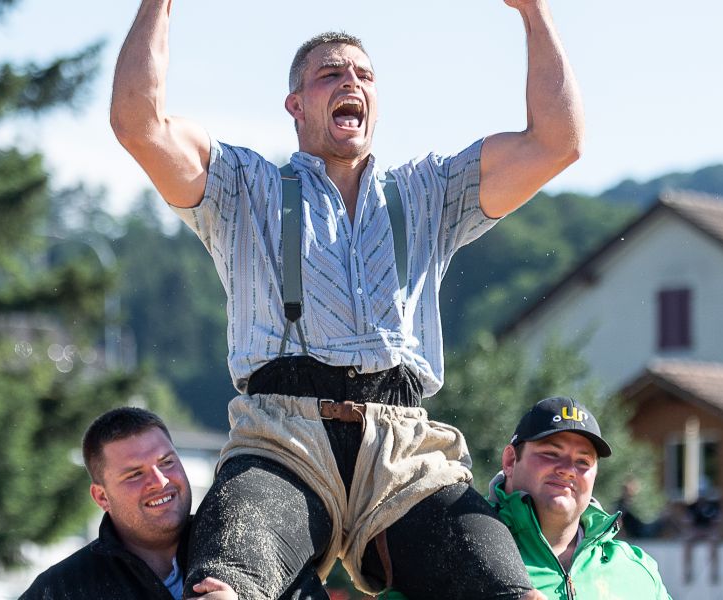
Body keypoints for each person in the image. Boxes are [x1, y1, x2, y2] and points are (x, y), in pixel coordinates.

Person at [109, 0, 583, 598]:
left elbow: (557, 142)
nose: (351, 82)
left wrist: (534, 12)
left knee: (513, 593)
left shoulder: (428, 191)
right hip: (284, 438)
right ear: (297, 105)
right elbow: (138, 124)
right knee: (223, 589)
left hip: (405, 450)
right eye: (331, 74)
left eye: (363, 75)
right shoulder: (243, 186)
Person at [384, 396, 670, 599]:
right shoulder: (458, 546)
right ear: (510, 460)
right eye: (551, 454)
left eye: (583, 461)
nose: (568, 471)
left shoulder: (636, 568)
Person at [19, 407, 232, 599]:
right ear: (102, 497)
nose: (160, 482)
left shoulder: (233, 546)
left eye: (166, 462)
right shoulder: (59, 591)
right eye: (135, 474)